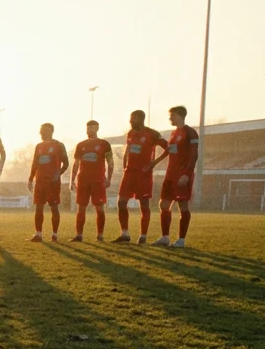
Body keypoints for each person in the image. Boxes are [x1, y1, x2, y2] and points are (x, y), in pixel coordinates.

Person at [114, 109, 166, 244]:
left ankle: (143, 236)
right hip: (129, 173)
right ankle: (124, 234)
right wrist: (125, 162)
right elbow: (129, 148)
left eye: (134, 118)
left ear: (141, 119)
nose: (131, 121)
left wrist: (153, 163)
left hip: (143, 174)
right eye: (130, 118)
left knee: (144, 204)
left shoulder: (152, 134)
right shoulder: (130, 133)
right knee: (121, 202)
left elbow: (169, 148)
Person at [149, 105, 198, 247]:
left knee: (182, 205)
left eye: (172, 115)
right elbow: (169, 151)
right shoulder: (173, 133)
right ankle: (165, 237)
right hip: (170, 175)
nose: (170, 118)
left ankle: (181, 240)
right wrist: (155, 162)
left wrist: (186, 174)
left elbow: (194, 155)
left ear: (180, 115)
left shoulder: (190, 133)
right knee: (164, 204)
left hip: (182, 175)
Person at [70, 120, 114, 242]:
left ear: (97, 128)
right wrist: (72, 180)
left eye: (92, 127)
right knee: (81, 207)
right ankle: (79, 235)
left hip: (98, 180)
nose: (90, 130)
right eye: (88, 127)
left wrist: (109, 178)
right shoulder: (81, 145)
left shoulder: (104, 144)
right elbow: (76, 163)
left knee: (99, 208)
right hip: (83, 180)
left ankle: (100, 235)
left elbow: (110, 162)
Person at [27, 123, 69, 242]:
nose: (43, 133)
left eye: (46, 130)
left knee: (54, 208)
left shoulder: (59, 145)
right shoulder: (38, 146)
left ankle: (54, 234)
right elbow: (35, 164)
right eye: (41, 131)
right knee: (38, 208)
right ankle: (38, 234)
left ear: (51, 131)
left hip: (53, 183)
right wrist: (30, 179)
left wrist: (58, 173)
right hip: (40, 182)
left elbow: (66, 163)